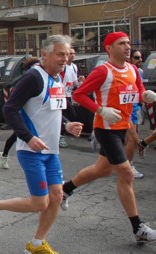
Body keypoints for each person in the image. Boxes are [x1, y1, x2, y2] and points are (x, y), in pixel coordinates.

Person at [0, 35, 84, 254]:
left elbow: (51, 111)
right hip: (31, 151)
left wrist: (67, 125)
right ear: (44, 55)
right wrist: (27, 137)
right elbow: (9, 108)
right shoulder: (34, 78)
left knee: (56, 197)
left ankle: (36, 244)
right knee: (39, 203)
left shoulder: (57, 78)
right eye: (59, 54)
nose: (65, 59)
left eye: (67, 54)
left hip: (51, 152)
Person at [63, 32, 156, 243]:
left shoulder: (133, 69)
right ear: (109, 48)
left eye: (128, 43)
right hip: (105, 129)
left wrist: (145, 95)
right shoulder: (103, 71)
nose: (127, 47)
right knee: (126, 173)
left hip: (123, 127)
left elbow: (138, 90)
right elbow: (79, 95)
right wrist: (101, 110)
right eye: (121, 44)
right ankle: (138, 227)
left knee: (101, 170)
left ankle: (65, 189)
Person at [0, 56, 40, 169]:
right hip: (22, 111)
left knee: (18, 135)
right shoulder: (28, 78)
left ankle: (4, 154)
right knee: (17, 135)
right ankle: (4, 155)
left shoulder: (42, 77)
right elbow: (11, 103)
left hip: (35, 113)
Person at [126, 49, 145, 178]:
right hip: (124, 110)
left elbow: (140, 88)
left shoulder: (137, 71)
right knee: (133, 139)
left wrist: (144, 96)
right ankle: (128, 166)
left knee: (132, 139)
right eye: (137, 57)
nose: (140, 60)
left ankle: (126, 165)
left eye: (140, 57)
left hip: (134, 107)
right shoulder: (125, 70)